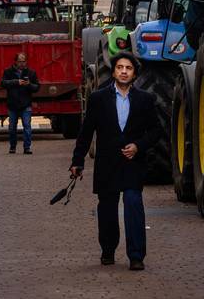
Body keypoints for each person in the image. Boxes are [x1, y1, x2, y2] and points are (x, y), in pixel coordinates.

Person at [69, 52, 162, 270]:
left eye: (128, 68)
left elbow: (157, 130)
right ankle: (108, 250)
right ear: (113, 71)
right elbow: (86, 133)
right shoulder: (98, 99)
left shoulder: (145, 100)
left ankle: (136, 256)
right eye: (120, 67)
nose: (123, 71)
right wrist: (77, 162)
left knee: (133, 205)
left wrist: (139, 145)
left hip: (132, 163)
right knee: (108, 209)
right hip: (107, 163)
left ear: (134, 74)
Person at [1, 52, 40, 154]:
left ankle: (27, 147)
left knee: (27, 126)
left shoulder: (31, 73)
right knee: (12, 127)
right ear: (15, 62)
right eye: (20, 61)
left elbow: (37, 87)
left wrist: (29, 84)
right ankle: (12, 146)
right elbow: (3, 83)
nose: (22, 64)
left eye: (24, 61)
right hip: (12, 104)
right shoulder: (8, 72)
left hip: (26, 104)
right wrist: (16, 82)